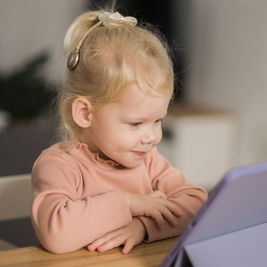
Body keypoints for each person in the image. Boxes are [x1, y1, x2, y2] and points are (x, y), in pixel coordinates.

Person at [31, 8, 208, 254]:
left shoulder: (149, 162)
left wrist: (143, 226)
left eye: (158, 121)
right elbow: (56, 234)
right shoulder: (59, 166)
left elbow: (198, 206)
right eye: (136, 123)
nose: (152, 137)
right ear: (85, 114)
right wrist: (129, 202)